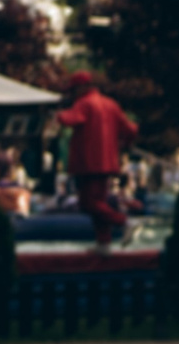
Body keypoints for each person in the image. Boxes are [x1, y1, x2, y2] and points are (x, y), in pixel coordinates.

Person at [53, 72, 137, 248]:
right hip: (107, 163)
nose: (73, 94)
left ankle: (123, 222)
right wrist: (126, 145)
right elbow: (130, 129)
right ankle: (103, 243)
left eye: (74, 90)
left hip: (88, 163)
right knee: (99, 203)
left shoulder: (84, 103)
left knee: (89, 204)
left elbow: (73, 118)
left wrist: (59, 116)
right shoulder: (111, 104)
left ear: (81, 88)